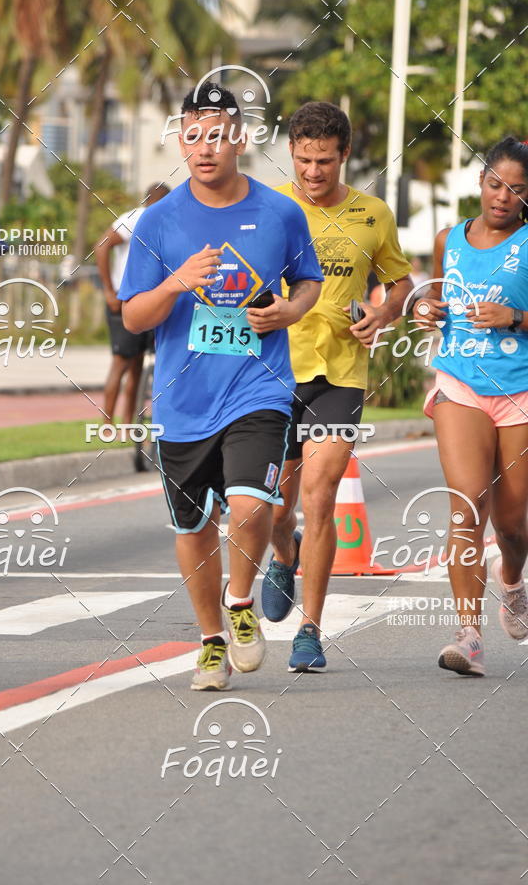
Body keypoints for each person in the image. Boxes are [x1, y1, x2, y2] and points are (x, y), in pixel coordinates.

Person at [119, 82, 323, 691]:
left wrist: (289, 312)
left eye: (218, 134)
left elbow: (307, 282)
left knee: (253, 505)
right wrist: (176, 282)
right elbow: (133, 317)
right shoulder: (159, 220)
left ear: (239, 139)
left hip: (256, 386)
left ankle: (241, 604)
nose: (205, 147)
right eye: (193, 134)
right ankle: (210, 638)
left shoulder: (281, 211)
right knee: (192, 527)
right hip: (183, 400)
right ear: (180, 140)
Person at [261, 101, 412, 672]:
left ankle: (311, 630)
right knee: (276, 510)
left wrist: (384, 312)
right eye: (303, 160)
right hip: (272, 373)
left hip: (340, 375)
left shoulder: (373, 214)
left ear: (344, 155)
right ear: (292, 154)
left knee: (320, 497)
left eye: (324, 161)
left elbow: (399, 283)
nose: (313, 172)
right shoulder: (270, 207)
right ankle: (283, 554)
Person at [414, 135, 528, 677]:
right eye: (494, 184)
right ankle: (468, 634)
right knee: (466, 504)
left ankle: (512, 580)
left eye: (517, 189)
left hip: (520, 392)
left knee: (511, 521)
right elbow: (433, 296)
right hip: (460, 381)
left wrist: (515, 318)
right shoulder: (449, 239)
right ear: (479, 182)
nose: (503, 197)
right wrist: (426, 309)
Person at [95, 184, 170, 427]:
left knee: (138, 365)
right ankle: (107, 423)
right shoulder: (134, 218)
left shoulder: (166, 221)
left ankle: (129, 424)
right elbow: (101, 246)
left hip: (151, 302)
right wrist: (109, 290)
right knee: (121, 362)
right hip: (123, 299)